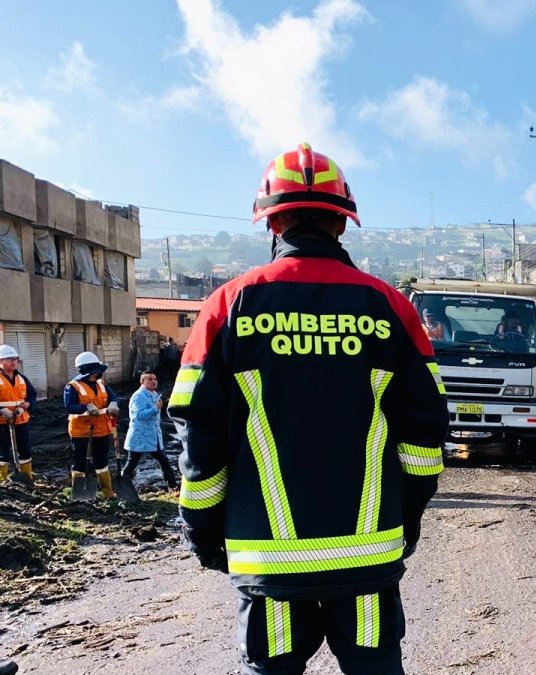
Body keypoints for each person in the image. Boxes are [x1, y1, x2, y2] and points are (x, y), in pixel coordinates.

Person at [169, 143, 449, 675]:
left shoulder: (229, 304)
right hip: (368, 554)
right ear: (342, 225)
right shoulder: (390, 307)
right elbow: (425, 431)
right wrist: (406, 519)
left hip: (267, 557)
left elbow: (198, 434)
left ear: (271, 224)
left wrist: (202, 532)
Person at [64, 352, 120, 498]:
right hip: (82, 431)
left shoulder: (100, 384)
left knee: (101, 460)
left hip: (101, 430)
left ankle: (107, 491)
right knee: (80, 461)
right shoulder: (73, 386)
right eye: (97, 370)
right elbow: (70, 407)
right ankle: (78, 491)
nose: (100, 373)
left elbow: (112, 396)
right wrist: (85, 408)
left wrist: (113, 403)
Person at [121, 371, 177, 490]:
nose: (154, 381)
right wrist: (155, 408)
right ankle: (121, 486)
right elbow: (139, 416)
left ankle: (172, 486)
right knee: (132, 463)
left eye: (155, 379)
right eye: (150, 379)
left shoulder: (154, 394)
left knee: (164, 461)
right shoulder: (139, 396)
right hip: (141, 435)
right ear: (142, 382)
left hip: (152, 435)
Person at [0, 344, 36, 482]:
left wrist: (28, 404)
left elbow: (31, 396)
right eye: (9, 359)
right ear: (1, 361)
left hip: (21, 420)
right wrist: (1, 410)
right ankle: (2, 481)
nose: (14, 362)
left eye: (15, 359)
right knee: (2, 454)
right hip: (2, 422)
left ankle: (27, 478)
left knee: (25, 451)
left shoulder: (21, 378)